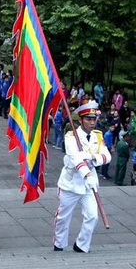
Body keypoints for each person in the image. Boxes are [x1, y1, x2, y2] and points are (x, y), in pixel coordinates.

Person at [53, 100, 111, 253]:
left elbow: (107, 156)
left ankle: (81, 245)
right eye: (88, 119)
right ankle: (59, 244)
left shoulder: (98, 136)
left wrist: (92, 158)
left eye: (94, 119)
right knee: (63, 218)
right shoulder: (71, 136)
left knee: (92, 216)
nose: (92, 123)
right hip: (71, 183)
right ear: (81, 120)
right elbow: (75, 158)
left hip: (89, 185)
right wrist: (86, 172)